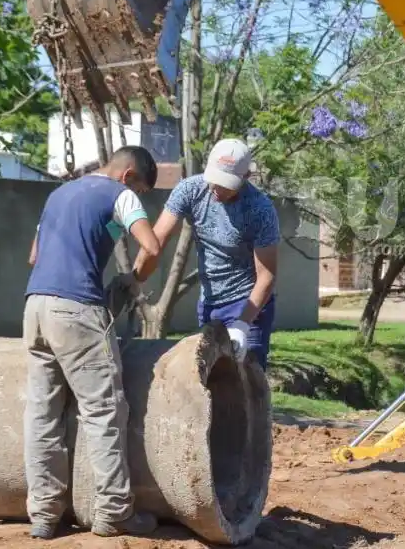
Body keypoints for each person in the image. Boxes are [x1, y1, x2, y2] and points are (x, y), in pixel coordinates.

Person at [22, 146, 163, 540]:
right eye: (143, 190)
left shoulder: (59, 194)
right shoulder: (121, 194)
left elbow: (35, 256)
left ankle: (44, 515)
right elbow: (151, 247)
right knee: (104, 409)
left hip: (35, 307)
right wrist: (134, 279)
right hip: (77, 308)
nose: (142, 198)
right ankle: (114, 512)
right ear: (129, 175)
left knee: (42, 414)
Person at [141, 137, 279, 369]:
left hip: (248, 304)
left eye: (226, 183)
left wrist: (243, 325)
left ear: (245, 177)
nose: (217, 188)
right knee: (210, 381)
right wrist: (135, 279)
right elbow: (156, 241)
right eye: (214, 179)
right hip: (210, 303)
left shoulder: (260, 210)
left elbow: (267, 276)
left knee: (248, 385)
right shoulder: (191, 190)